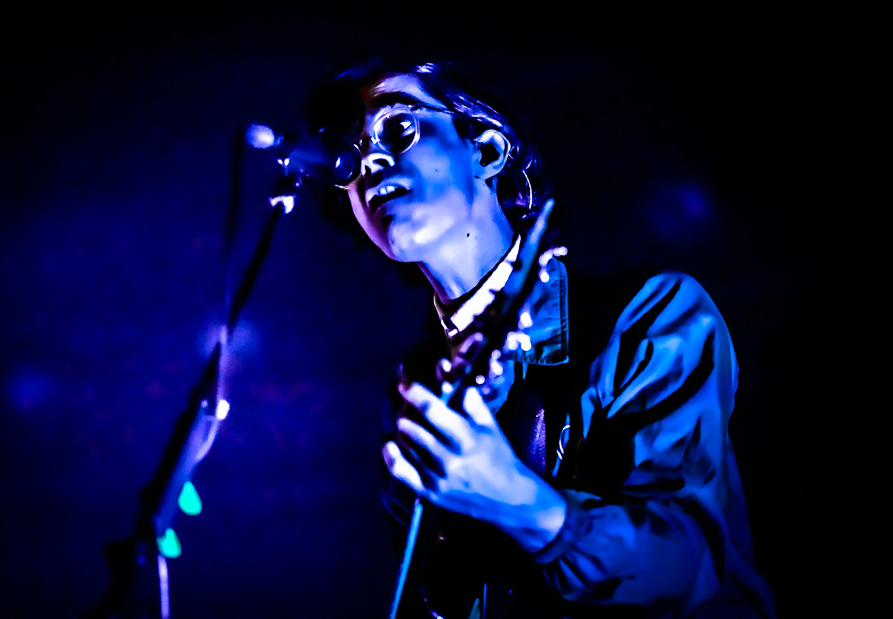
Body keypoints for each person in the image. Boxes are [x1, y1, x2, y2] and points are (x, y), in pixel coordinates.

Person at [303, 61, 775, 618]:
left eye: (398, 128)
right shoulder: (412, 391)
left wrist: (522, 504)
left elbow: (693, 563)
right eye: (351, 155)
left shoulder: (649, 314)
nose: (370, 161)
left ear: (485, 151)